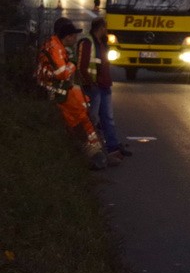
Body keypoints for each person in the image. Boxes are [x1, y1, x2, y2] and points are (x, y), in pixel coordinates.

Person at [36, 17, 121, 170]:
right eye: (74, 35)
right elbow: (62, 73)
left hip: (63, 92)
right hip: (60, 94)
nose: (76, 38)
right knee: (82, 121)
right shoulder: (56, 48)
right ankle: (95, 157)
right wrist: (72, 65)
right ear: (67, 36)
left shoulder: (58, 47)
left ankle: (98, 155)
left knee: (84, 120)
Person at [76, 16, 131, 158]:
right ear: (101, 28)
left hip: (104, 85)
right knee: (92, 119)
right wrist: (90, 83)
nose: (106, 31)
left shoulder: (101, 43)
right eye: (105, 28)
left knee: (108, 118)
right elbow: (82, 66)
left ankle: (112, 147)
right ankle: (92, 148)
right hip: (94, 87)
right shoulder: (88, 42)